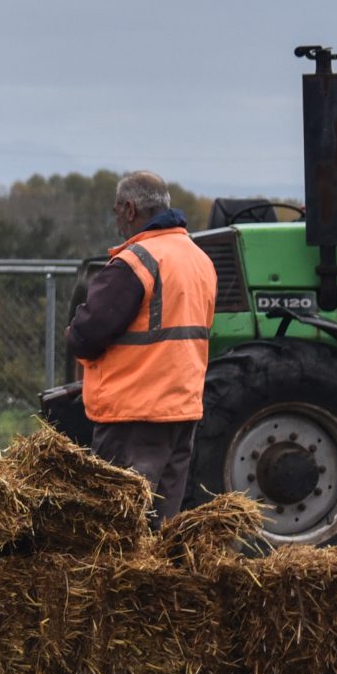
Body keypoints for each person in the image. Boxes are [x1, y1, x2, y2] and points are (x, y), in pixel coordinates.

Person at [63, 171, 217, 526]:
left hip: (134, 412)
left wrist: (73, 336)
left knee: (120, 525)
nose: (116, 219)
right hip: (182, 410)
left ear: (130, 209)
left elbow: (87, 332)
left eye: (116, 210)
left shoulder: (136, 262)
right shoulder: (199, 259)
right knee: (162, 521)